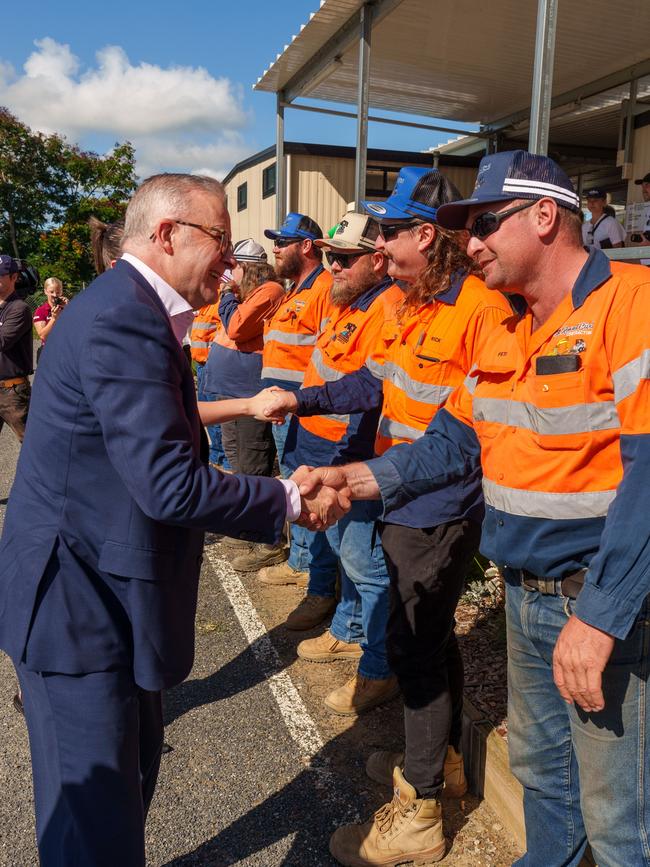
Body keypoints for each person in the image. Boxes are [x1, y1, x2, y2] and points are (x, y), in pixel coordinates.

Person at [300, 150, 650, 867]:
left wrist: (602, 615)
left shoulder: (631, 302)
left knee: (619, 819)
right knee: (544, 777)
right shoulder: (509, 329)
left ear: (545, 215)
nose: (472, 242)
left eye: (484, 223)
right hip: (527, 595)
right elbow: (449, 443)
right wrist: (355, 481)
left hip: (595, 604)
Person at [0, 173, 349, 867]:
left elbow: (160, 440)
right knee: (94, 832)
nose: (229, 260)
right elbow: (166, 482)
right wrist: (287, 500)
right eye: (220, 239)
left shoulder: (129, 309)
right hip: (76, 608)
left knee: (121, 796)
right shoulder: (123, 316)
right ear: (167, 233)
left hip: (101, 593)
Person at [266, 168, 510, 844]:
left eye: (390, 231)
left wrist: (357, 476)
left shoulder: (481, 311)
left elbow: (461, 441)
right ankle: (443, 765)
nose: (381, 244)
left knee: (416, 644)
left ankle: (423, 809)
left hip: (440, 504)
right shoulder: (410, 300)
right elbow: (374, 380)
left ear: (425, 235)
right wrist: (302, 398)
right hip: (403, 495)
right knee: (426, 637)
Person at [266, 212, 404, 710]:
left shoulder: (385, 307)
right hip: (323, 443)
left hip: (355, 452)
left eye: (344, 258)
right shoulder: (349, 301)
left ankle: (377, 666)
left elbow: (371, 390)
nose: (334, 266)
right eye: (329, 256)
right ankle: (347, 629)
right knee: (348, 552)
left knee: (366, 564)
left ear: (378, 259)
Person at [233, 212, 338, 602]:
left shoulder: (324, 288)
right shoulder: (294, 289)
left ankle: (314, 573)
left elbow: (328, 357)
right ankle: (301, 562)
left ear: (306, 246)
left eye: (283, 242)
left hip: (306, 410)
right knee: (295, 488)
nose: (275, 249)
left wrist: (299, 401)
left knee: (308, 489)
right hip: (284, 410)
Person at [202, 238, 285, 565]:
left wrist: (225, 296)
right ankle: (250, 531)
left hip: (249, 392)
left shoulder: (269, 291)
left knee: (253, 465)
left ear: (248, 267)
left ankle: (268, 543)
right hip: (232, 392)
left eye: (233, 267)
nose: (227, 274)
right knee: (238, 465)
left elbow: (236, 327)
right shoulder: (246, 295)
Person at [0, 254, 33, 443]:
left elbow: (2, 341)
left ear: (14, 277)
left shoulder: (19, 308)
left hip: (12, 391)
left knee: (32, 444)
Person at [32, 277, 68, 360]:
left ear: (62, 292)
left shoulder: (67, 308)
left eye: (58, 292)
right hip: (49, 352)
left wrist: (69, 309)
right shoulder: (41, 311)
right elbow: (43, 336)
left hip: (66, 350)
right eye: (51, 292)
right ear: (45, 291)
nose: (55, 295)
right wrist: (54, 318)